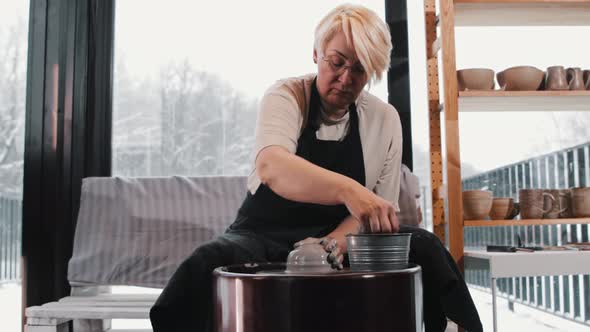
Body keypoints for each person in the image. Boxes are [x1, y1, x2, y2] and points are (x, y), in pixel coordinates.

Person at [150, 4, 482, 332]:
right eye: (336, 62)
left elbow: (375, 211)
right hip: (264, 234)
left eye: (360, 69)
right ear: (316, 53)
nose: (345, 78)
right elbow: (272, 165)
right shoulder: (286, 95)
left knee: (426, 246)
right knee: (208, 260)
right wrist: (350, 190)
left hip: (345, 238)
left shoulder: (384, 119)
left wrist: (335, 243)